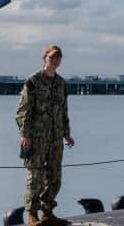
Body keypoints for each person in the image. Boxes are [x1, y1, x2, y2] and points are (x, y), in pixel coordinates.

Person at [16, 45, 76, 226]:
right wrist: (25, 135)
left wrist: (67, 134)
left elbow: (63, 111)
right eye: (52, 57)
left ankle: (48, 212)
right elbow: (23, 111)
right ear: (45, 59)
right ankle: (32, 215)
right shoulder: (33, 81)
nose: (55, 61)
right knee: (35, 177)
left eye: (58, 58)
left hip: (56, 138)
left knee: (55, 177)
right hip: (36, 138)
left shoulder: (61, 83)